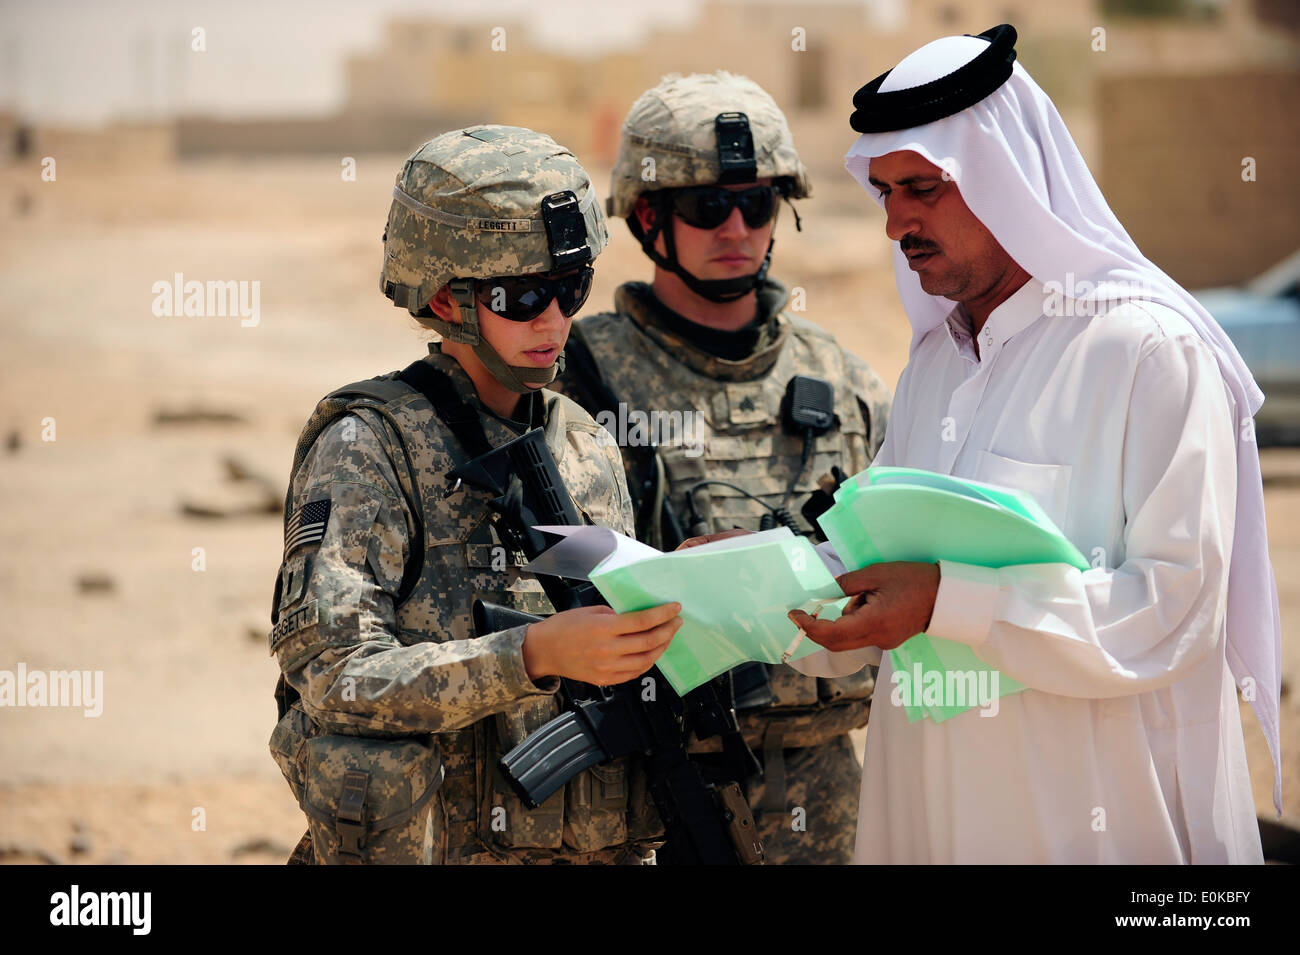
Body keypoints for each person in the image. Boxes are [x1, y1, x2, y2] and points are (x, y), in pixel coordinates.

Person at [787, 24, 1281, 864]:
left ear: (1004, 177)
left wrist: (949, 600)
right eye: (884, 192)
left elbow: (1171, 614)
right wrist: (757, 582)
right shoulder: (933, 370)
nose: (894, 222)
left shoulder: (1145, 352)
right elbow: (878, 576)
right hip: (932, 811)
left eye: (922, 188)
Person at [267, 125, 684, 865]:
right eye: (521, 295)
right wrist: (526, 654)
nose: (554, 321)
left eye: (569, 289)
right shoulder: (371, 445)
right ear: (443, 295)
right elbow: (334, 674)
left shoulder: (585, 443)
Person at [557, 72, 892, 864]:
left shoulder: (842, 378)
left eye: (758, 204)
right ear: (648, 216)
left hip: (824, 777)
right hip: (649, 781)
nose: (737, 226)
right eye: (707, 207)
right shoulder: (582, 378)